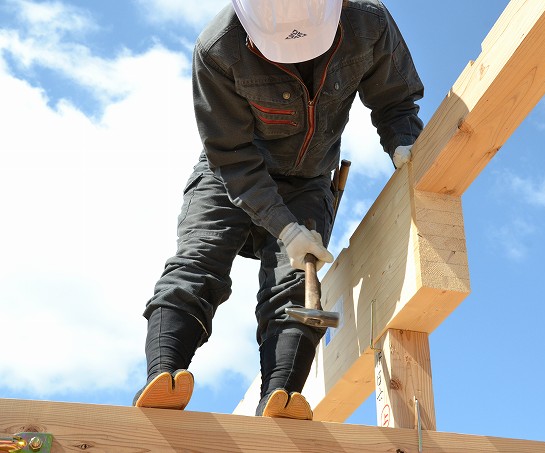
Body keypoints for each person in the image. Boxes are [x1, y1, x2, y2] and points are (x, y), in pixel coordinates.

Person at [133, 0, 424, 420]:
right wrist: (286, 230)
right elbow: (231, 156)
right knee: (200, 261)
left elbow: (395, 99)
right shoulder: (218, 47)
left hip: (308, 182)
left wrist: (403, 143)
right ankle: (165, 376)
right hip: (231, 172)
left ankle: (281, 397)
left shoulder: (368, 22)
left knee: (296, 285)